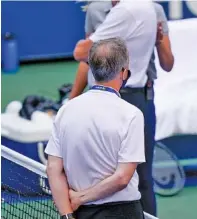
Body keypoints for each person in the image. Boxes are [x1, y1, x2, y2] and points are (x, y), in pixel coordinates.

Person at [72, 1, 174, 216]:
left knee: (142, 178)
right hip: (100, 99)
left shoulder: (151, 10)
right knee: (98, 174)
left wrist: (157, 39)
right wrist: (72, 101)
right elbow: (86, 60)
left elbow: (168, 63)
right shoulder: (95, 10)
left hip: (138, 97)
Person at [45, 38, 146, 219]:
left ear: (91, 69)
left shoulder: (66, 110)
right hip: (122, 213)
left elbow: (53, 168)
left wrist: (67, 214)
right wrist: (79, 199)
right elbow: (122, 178)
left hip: (79, 214)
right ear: (123, 73)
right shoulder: (132, 115)